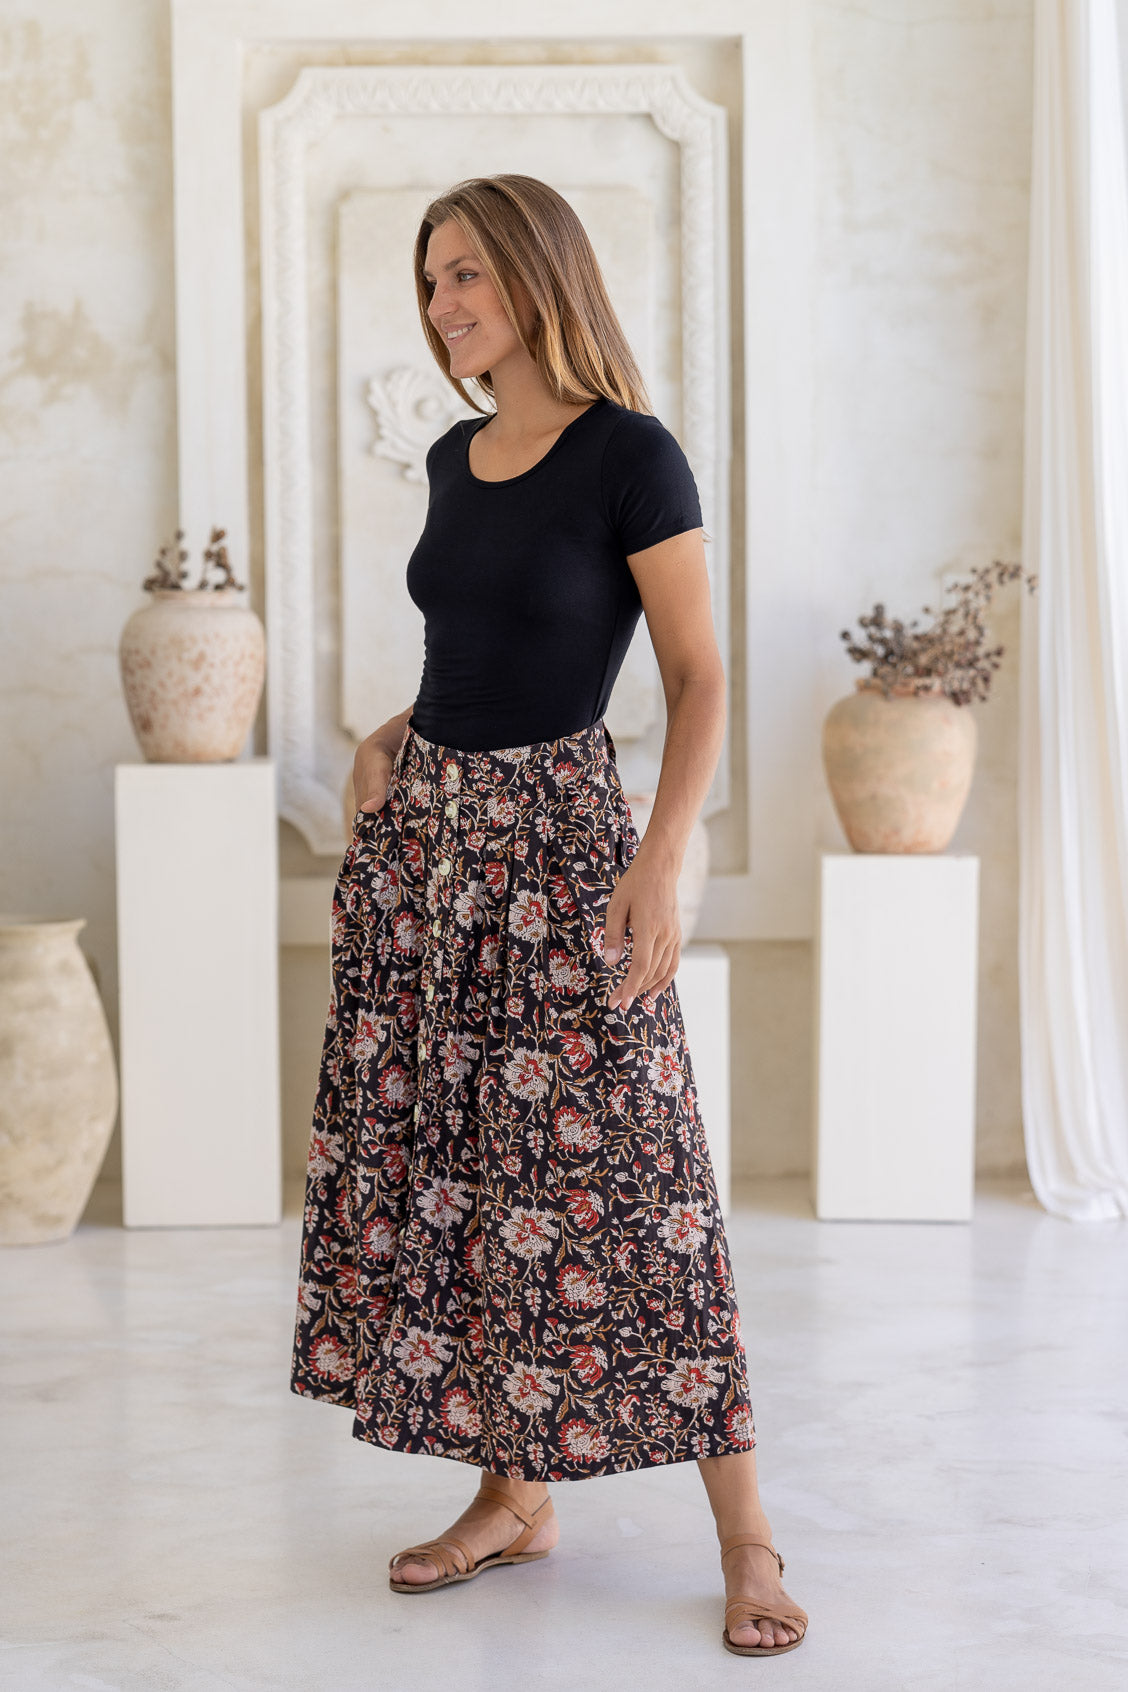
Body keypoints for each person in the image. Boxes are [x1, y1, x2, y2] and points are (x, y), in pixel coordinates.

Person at [290, 173, 808, 1659]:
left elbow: (698, 674)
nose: (445, 307)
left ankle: (749, 1536)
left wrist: (662, 859)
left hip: (565, 849)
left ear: (535, 275)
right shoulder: (456, 457)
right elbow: (484, 644)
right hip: (432, 852)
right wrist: (391, 735)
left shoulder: (632, 457)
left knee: (642, 1184)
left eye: (464, 276)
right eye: (430, 284)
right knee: (465, 1178)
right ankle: (513, 1498)